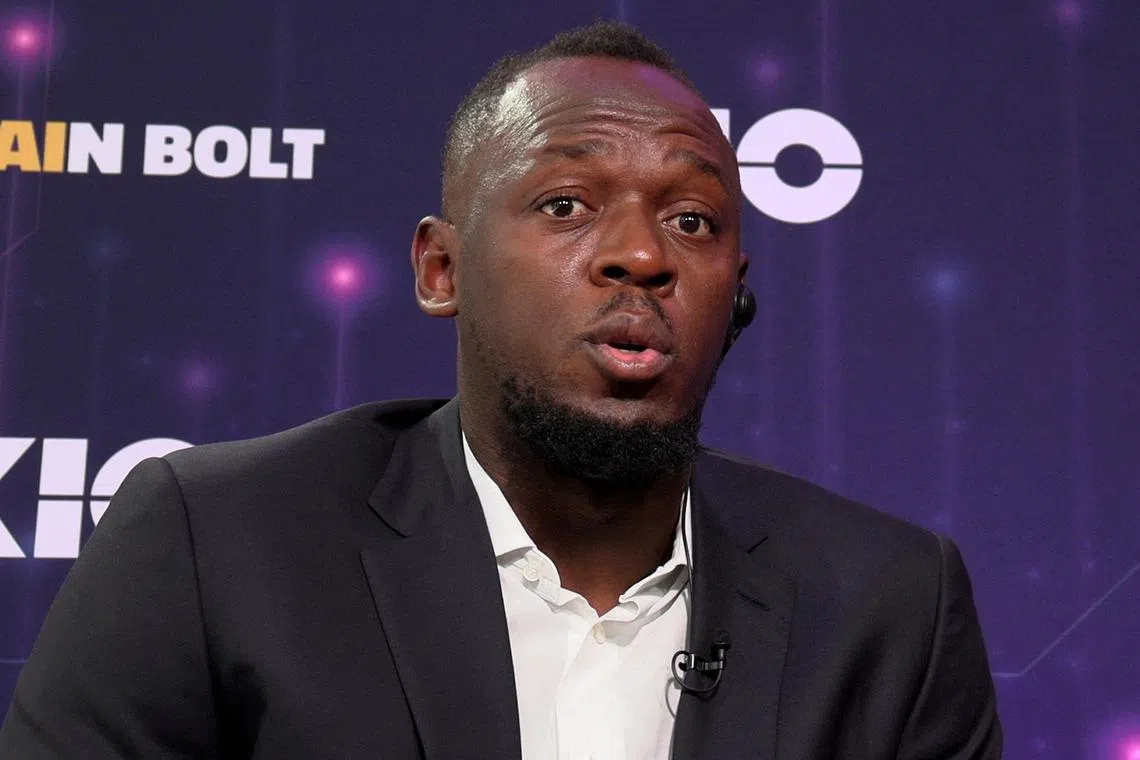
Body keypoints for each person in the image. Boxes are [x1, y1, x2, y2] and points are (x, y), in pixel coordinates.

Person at [0, 21, 1001, 760]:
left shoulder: (888, 607)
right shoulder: (214, 546)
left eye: (692, 220)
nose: (642, 254)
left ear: (735, 292)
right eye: (567, 203)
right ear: (441, 270)